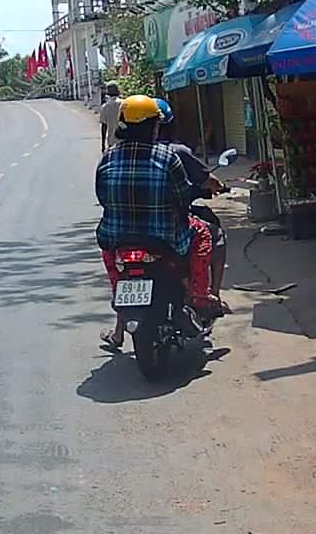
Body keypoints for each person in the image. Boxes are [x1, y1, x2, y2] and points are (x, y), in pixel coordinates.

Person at [95, 95, 223, 349]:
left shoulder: (108, 157)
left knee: (109, 252)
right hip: (165, 237)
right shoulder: (167, 156)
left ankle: (118, 294)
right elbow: (182, 195)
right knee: (203, 233)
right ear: (154, 126)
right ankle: (199, 294)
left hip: (117, 237)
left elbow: (102, 195)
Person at [154, 97, 231, 315]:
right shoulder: (174, 153)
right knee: (213, 235)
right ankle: (207, 295)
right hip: (171, 224)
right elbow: (193, 187)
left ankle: (119, 327)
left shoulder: (118, 154)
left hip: (127, 231)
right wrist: (218, 187)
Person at [99, 83, 123, 151]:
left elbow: (104, 126)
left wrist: (103, 144)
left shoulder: (105, 107)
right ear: (118, 91)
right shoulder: (124, 103)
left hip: (111, 142)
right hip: (124, 141)